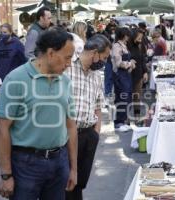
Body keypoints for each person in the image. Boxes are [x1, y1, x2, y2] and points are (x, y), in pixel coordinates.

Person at [0, 28, 78, 200]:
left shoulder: (65, 81)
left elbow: (71, 126)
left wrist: (73, 169)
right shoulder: (16, 80)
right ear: (50, 53)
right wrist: (6, 175)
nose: (69, 63)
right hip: (25, 165)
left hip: (59, 162)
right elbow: (2, 129)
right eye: (67, 57)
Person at [65, 34, 111, 200]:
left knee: (80, 182)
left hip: (88, 135)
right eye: (104, 57)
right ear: (94, 53)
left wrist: (96, 133)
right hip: (66, 135)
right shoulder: (67, 67)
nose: (104, 62)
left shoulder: (96, 76)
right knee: (66, 182)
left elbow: (98, 106)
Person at [111, 27, 136, 132]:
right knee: (122, 97)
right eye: (128, 35)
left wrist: (131, 64)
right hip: (120, 76)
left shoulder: (124, 45)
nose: (129, 37)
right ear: (124, 35)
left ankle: (123, 121)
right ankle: (118, 123)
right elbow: (118, 63)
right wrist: (130, 63)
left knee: (127, 98)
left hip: (126, 75)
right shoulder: (117, 46)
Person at [127, 29, 148, 123]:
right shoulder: (127, 45)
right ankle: (126, 118)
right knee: (127, 96)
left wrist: (145, 72)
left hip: (138, 74)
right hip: (128, 74)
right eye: (138, 36)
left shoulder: (141, 45)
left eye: (141, 36)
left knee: (137, 97)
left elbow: (143, 59)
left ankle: (137, 117)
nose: (140, 38)